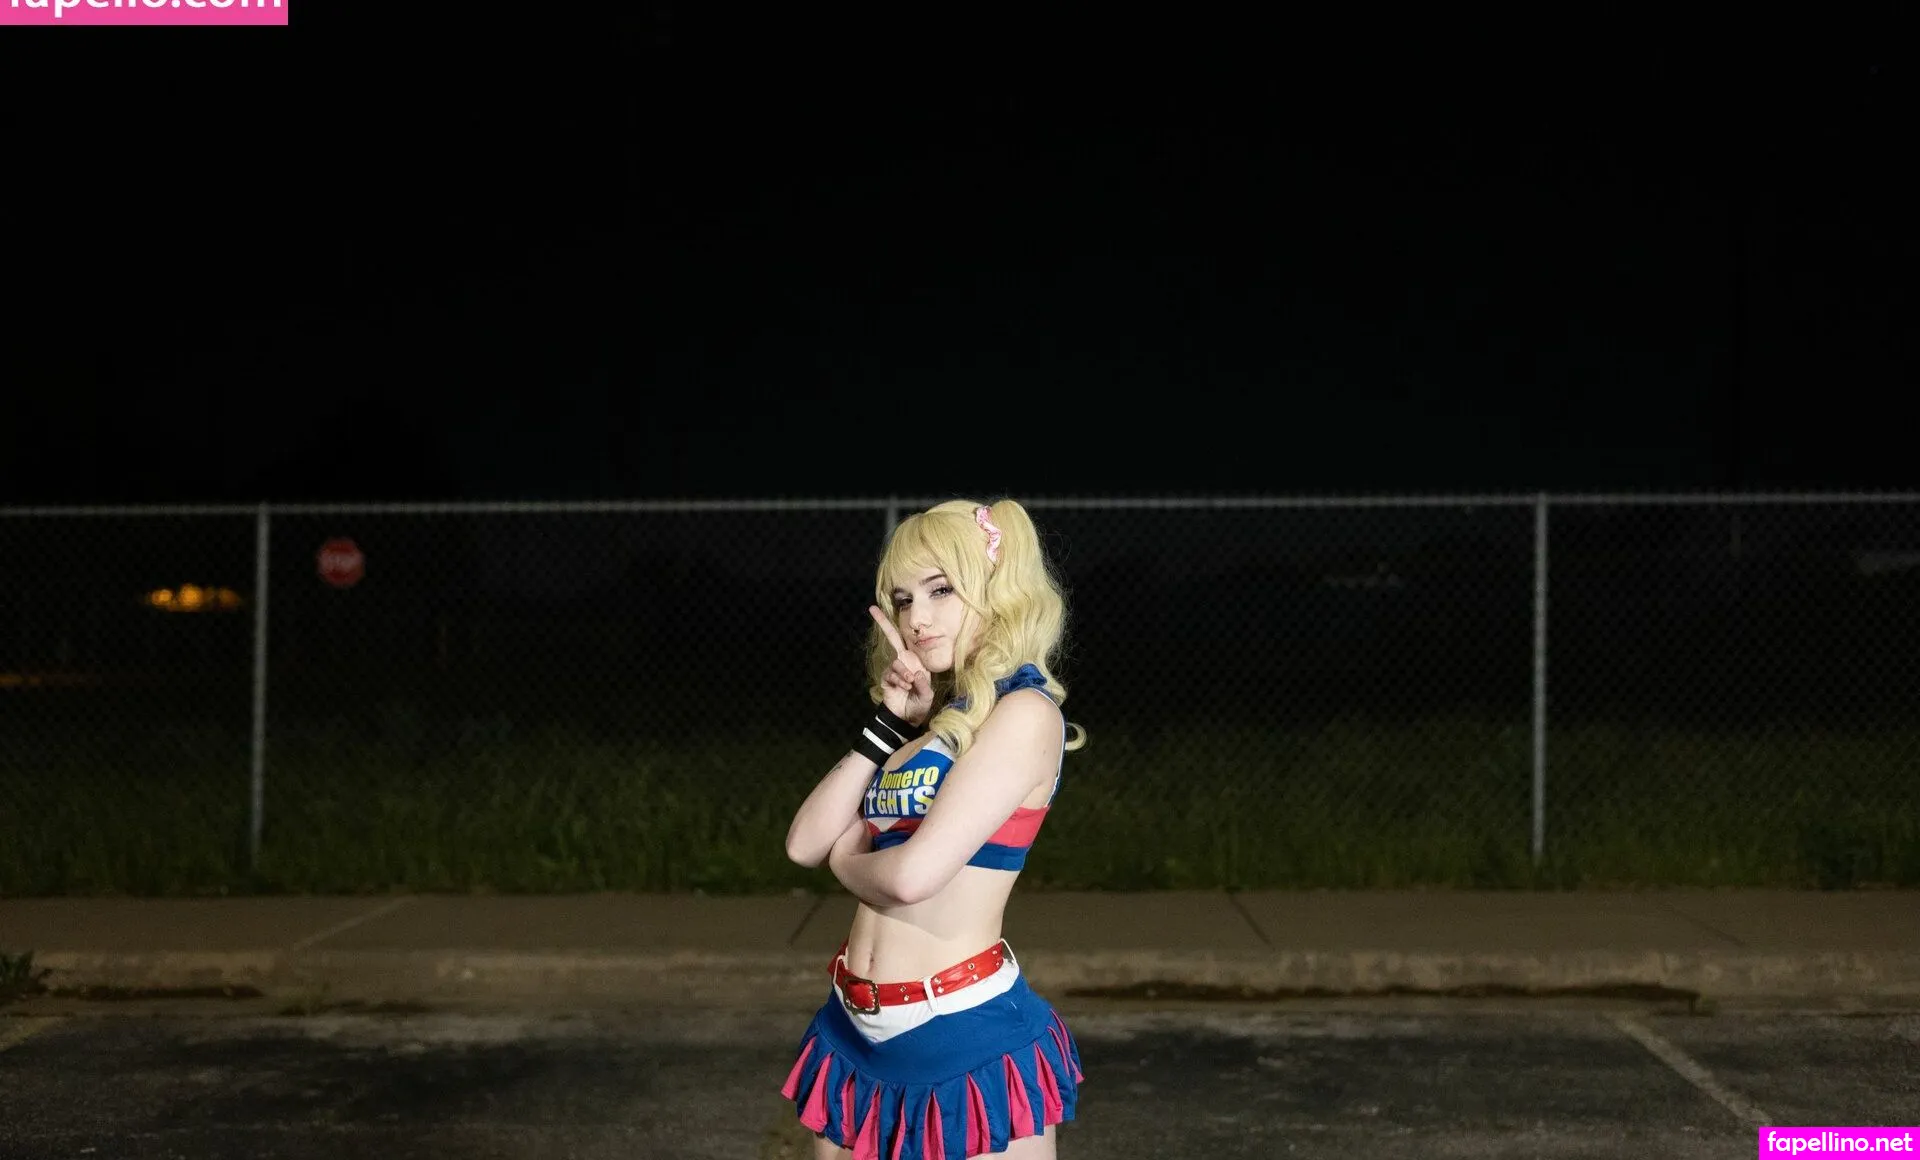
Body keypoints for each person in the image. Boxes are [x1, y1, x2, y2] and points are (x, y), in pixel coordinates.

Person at [782, 497, 1088, 1160]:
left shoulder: (1025, 713)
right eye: (902, 600)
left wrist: (847, 861)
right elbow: (804, 842)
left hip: (961, 1036)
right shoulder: (932, 726)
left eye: (940, 590)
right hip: (852, 1031)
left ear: (996, 588)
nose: (916, 618)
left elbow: (913, 876)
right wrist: (890, 723)